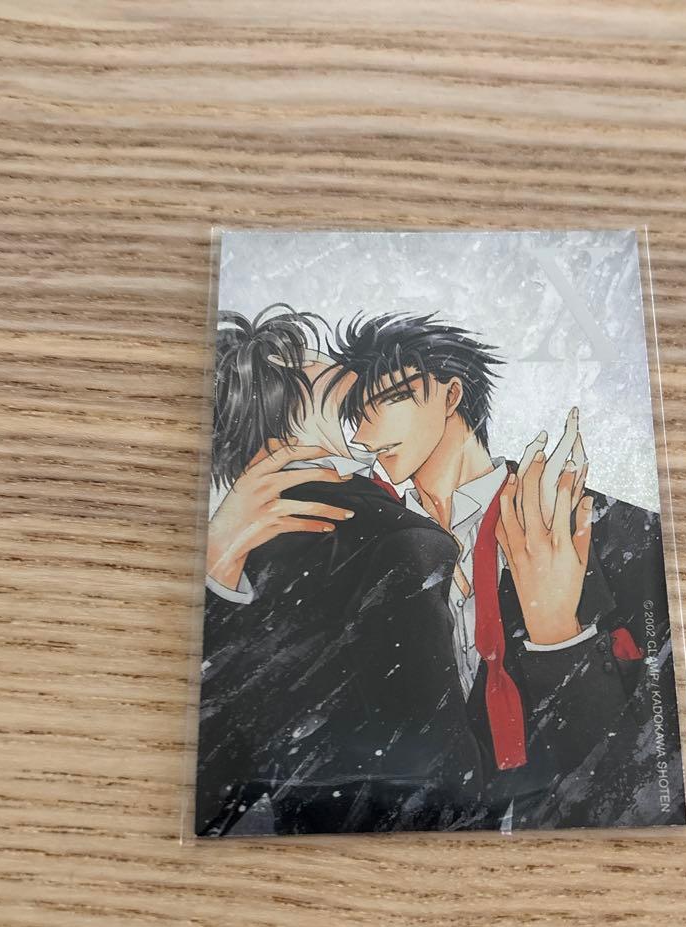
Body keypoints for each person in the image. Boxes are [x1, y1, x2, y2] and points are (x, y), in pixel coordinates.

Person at [325, 312, 686, 830]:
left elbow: (654, 787)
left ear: (451, 395)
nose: (362, 435)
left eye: (379, 405)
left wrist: (559, 637)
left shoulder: (608, 526)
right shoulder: (362, 545)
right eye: (355, 417)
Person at [196, 306, 482, 836]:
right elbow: (438, 760)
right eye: (315, 362)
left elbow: (223, 771)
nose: (344, 371)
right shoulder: (390, 537)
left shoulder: (250, 546)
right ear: (283, 392)